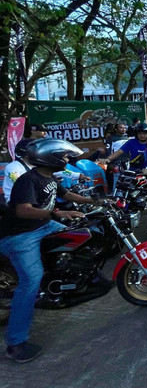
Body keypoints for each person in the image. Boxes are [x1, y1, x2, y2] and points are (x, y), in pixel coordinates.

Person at [0, 138, 99, 363]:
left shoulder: (49, 178)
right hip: (20, 235)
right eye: (64, 157)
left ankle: (70, 280)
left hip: (43, 225)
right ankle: (15, 344)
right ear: (50, 158)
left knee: (80, 236)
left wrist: (93, 201)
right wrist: (56, 214)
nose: (67, 160)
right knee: (30, 281)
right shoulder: (28, 180)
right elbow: (23, 211)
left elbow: (65, 195)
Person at [3, 142, 90, 204]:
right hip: (18, 201)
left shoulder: (37, 164)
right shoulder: (13, 167)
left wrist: (78, 175)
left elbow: (58, 171)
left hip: (39, 197)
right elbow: (19, 181)